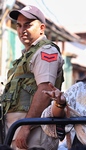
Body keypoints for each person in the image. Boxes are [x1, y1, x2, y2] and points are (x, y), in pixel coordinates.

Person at [1, 5, 64, 150]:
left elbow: (45, 90)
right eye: (19, 25)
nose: (22, 30)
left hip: (33, 132)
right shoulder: (28, 54)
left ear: (42, 28)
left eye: (28, 25)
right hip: (17, 130)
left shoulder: (46, 51)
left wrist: (26, 127)